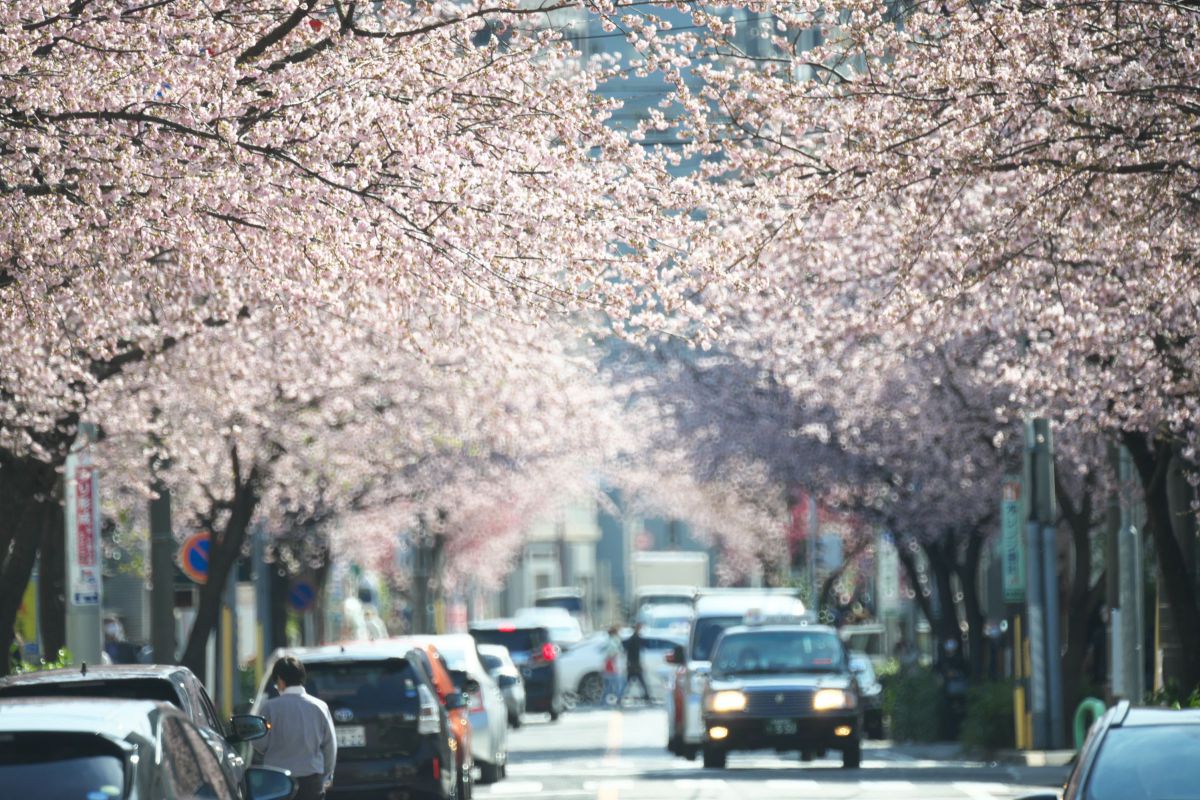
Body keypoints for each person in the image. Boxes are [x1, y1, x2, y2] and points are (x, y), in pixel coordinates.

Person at [253, 655, 338, 800]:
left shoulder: (270, 708)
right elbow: (330, 747)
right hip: (311, 781)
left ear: (280, 680)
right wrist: (325, 776)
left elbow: (260, 744)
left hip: (277, 781)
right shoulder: (320, 707)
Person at [620, 623, 650, 705]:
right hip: (634, 664)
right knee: (636, 681)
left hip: (632, 664)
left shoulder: (633, 639)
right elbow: (635, 653)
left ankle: (646, 696)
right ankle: (646, 696)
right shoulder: (635, 639)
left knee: (628, 682)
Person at [602, 626, 623, 705]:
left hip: (609, 664)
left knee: (608, 685)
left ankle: (604, 700)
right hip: (612, 665)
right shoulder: (614, 641)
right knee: (617, 684)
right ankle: (618, 699)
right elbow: (614, 652)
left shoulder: (609, 641)